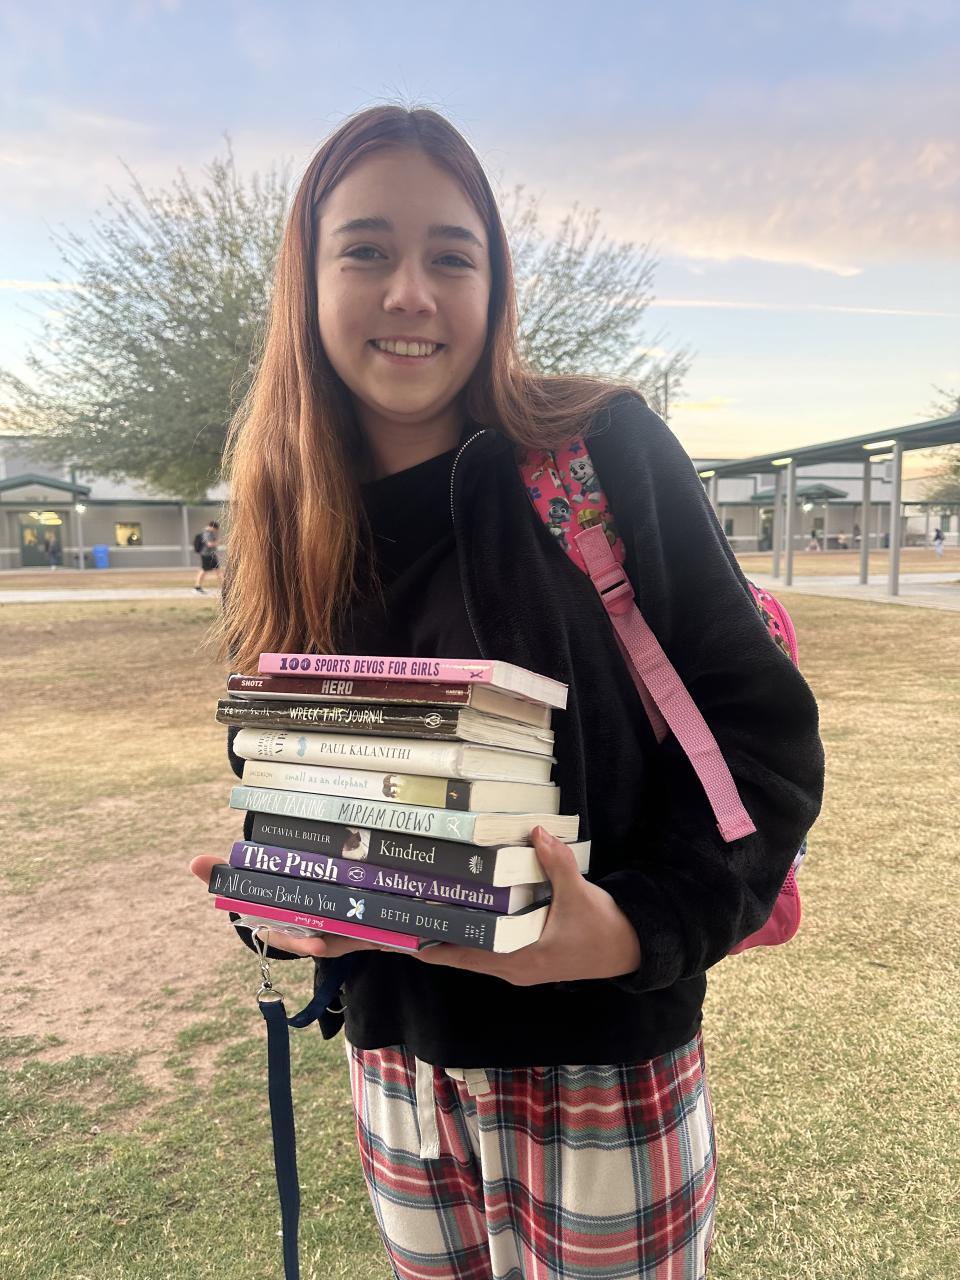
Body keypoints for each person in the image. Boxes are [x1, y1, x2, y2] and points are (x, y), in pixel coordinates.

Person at [190, 106, 824, 1279]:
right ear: (306, 278)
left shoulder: (600, 450)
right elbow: (278, 761)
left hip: (604, 1061)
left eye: (452, 254)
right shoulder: (280, 506)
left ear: (496, 283)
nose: (411, 292)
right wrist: (287, 901)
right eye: (366, 249)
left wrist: (631, 928)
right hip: (395, 1063)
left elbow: (764, 740)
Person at [194, 520, 220, 593]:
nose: (215, 531)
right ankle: (197, 587)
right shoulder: (207, 533)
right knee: (204, 570)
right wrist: (218, 542)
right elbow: (209, 544)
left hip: (210, 554)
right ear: (213, 527)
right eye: (215, 529)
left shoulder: (208, 533)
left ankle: (224, 586)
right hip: (207, 555)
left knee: (216, 570)